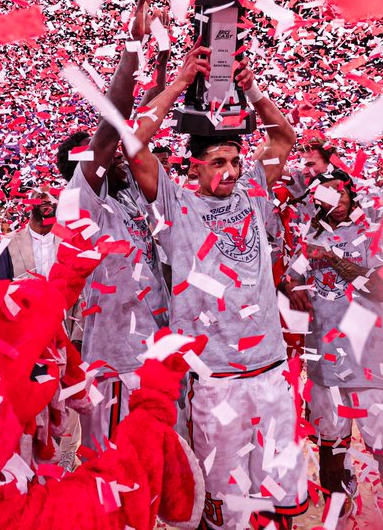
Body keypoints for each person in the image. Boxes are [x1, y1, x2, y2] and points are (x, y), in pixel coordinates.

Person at [126, 44, 307, 529]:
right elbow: (133, 147)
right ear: (195, 168)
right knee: (225, 507)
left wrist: (250, 87)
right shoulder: (175, 205)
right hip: (217, 380)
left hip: (269, 370)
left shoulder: (253, 194)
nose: (228, 171)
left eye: (233, 160)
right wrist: (182, 81)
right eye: (217, 163)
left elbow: (284, 136)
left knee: (278, 496)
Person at [54, 0, 171, 457]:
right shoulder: (81, 197)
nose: (123, 156)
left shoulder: (128, 198)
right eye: (110, 154)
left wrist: (165, 58)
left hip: (158, 350)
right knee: (119, 477)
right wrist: (133, 44)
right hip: (119, 362)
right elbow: (117, 120)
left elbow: (145, 119)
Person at [289, 170, 383, 525]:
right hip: (325, 367)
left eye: (342, 195)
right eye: (328, 197)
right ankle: (340, 512)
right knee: (330, 449)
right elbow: (291, 279)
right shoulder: (309, 238)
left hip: (372, 362)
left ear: (352, 195)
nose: (338, 202)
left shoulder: (376, 233)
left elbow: (378, 287)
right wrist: (292, 289)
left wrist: (330, 259)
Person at [4, 185, 59, 279]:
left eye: (53, 196)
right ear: (29, 203)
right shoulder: (8, 241)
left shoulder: (72, 240)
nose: (48, 200)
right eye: (41, 196)